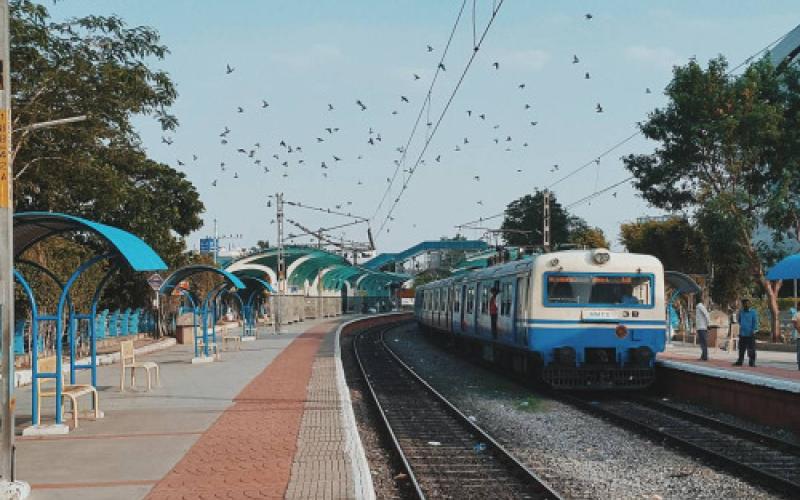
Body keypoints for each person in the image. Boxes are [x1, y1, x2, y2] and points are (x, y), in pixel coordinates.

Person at [734, 299, 758, 367]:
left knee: (751, 349)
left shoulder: (753, 312)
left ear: (749, 304)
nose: (746, 305)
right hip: (742, 333)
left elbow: (755, 322)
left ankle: (752, 362)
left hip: (750, 333)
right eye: (744, 304)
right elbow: (739, 320)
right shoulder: (741, 312)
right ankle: (740, 361)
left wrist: (753, 330)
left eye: (747, 304)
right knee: (741, 349)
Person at [792, 306, 800, 371]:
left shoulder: (796, 314)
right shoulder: (797, 314)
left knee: (799, 351)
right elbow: (794, 323)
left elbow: (794, 323)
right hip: (799, 336)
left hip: (799, 336)